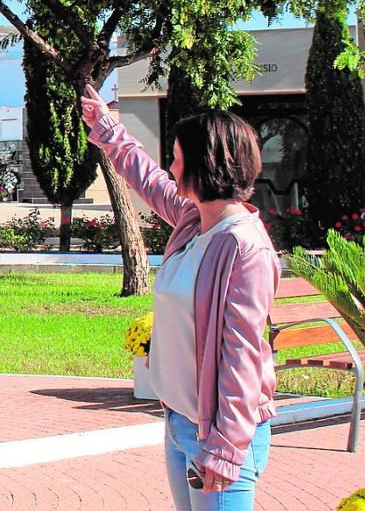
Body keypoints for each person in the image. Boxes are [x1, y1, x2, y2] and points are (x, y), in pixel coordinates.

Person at [80, 84, 279, 511]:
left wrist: (226, 448)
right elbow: (148, 179)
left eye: (176, 155)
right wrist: (108, 129)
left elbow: (242, 353)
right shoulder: (195, 221)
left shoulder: (243, 247)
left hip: (220, 434)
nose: (170, 165)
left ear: (204, 164)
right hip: (180, 422)